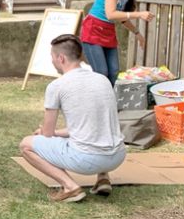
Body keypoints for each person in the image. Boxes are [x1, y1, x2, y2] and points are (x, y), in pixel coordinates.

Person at [19, 34, 126, 203]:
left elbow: (46, 134)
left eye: (52, 57)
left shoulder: (57, 86)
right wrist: (56, 133)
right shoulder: (102, 79)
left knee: (26, 145)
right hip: (118, 156)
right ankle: (103, 178)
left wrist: (46, 132)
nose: (52, 61)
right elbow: (91, 123)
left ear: (61, 58)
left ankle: (70, 187)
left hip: (87, 159)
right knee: (100, 126)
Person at [80, 0, 154, 86]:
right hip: (93, 29)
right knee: (101, 72)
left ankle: (111, 102)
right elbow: (111, 14)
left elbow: (123, 18)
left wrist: (137, 33)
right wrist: (139, 14)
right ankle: (98, 101)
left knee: (114, 71)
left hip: (108, 30)